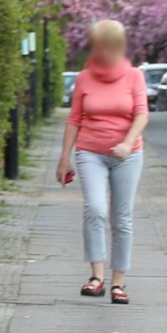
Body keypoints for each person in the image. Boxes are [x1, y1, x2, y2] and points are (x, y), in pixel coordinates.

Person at [57, 19, 148, 304]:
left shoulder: (134, 76)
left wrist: (127, 142)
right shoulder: (84, 78)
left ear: (118, 47)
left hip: (127, 155)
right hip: (91, 152)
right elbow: (74, 119)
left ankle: (118, 282)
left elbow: (142, 114)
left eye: (106, 47)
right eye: (97, 47)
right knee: (95, 209)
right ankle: (96, 276)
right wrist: (64, 158)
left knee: (122, 218)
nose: (100, 52)